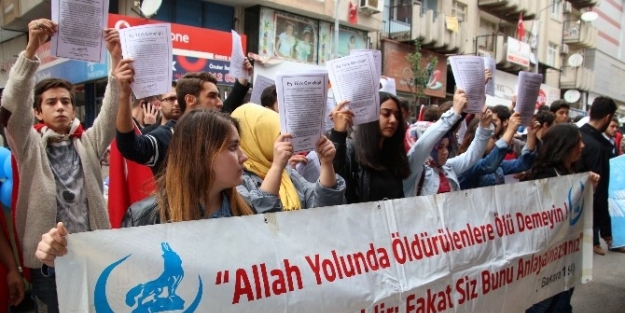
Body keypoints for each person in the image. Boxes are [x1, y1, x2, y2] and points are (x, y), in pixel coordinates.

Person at [0, 18, 123, 312]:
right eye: (52, 102)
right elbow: (10, 108)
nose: (60, 107)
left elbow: (110, 111)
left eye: (66, 101)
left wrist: (115, 57)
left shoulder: (89, 142)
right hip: (48, 263)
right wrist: (31, 49)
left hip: (91, 256)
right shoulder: (28, 145)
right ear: (37, 111)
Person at [36, 108, 256, 267]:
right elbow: (115, 276)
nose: (243, 157)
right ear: (200, 155)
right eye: (233, 147)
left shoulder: (250, 213)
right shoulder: (145, 218)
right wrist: (63, 256)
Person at [116, 60, 252, 176]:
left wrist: (243, 78)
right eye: (212, 96)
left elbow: (229, 105)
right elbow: (130, 147)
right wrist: (124, 95)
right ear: (190, 100)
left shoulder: (216, 132)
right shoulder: (169, 136)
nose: (220, 102)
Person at [523, 123, 600, 313]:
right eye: (577, 142)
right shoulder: (544, 176)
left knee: (562, 306)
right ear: (564, 145)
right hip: (545, 263)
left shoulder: (573, 173)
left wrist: (587, 190)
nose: (582, 146)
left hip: (566, 259)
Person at [233, 103, 345, 212]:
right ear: (252, 139)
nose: (283, 142)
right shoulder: (236, 180)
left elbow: (323, 205)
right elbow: (263, 219)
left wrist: (326, 163)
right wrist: (276, 167)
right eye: (270, 134)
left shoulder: (287, 172)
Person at [403, 92, 493, 197]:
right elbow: (422, 146)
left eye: (447, 146)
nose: (445, 152)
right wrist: (453, 113)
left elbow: (472, 156)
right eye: (439, 147)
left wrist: (484, 127)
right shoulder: (413, 170)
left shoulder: (448, 168)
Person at [330, 92, 411, 203]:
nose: (393, 120)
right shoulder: (352, 151)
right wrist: (338, 134)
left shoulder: (393, 156)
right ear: (370, 116)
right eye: (386, 113)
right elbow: (333, 184)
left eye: (397, 116)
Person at [574, 97, 624, 255]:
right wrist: (606, 229)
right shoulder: (598, 147)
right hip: (586, 212)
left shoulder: (577, 135)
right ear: (608, 117)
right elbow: (601, 191)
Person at [458, 113, 538, 189]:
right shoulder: (467, 163)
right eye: (492, 137)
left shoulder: (497, 163)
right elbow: (488, 165)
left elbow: (522, 164)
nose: (495, 141)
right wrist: (510, 130)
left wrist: (531, 135)